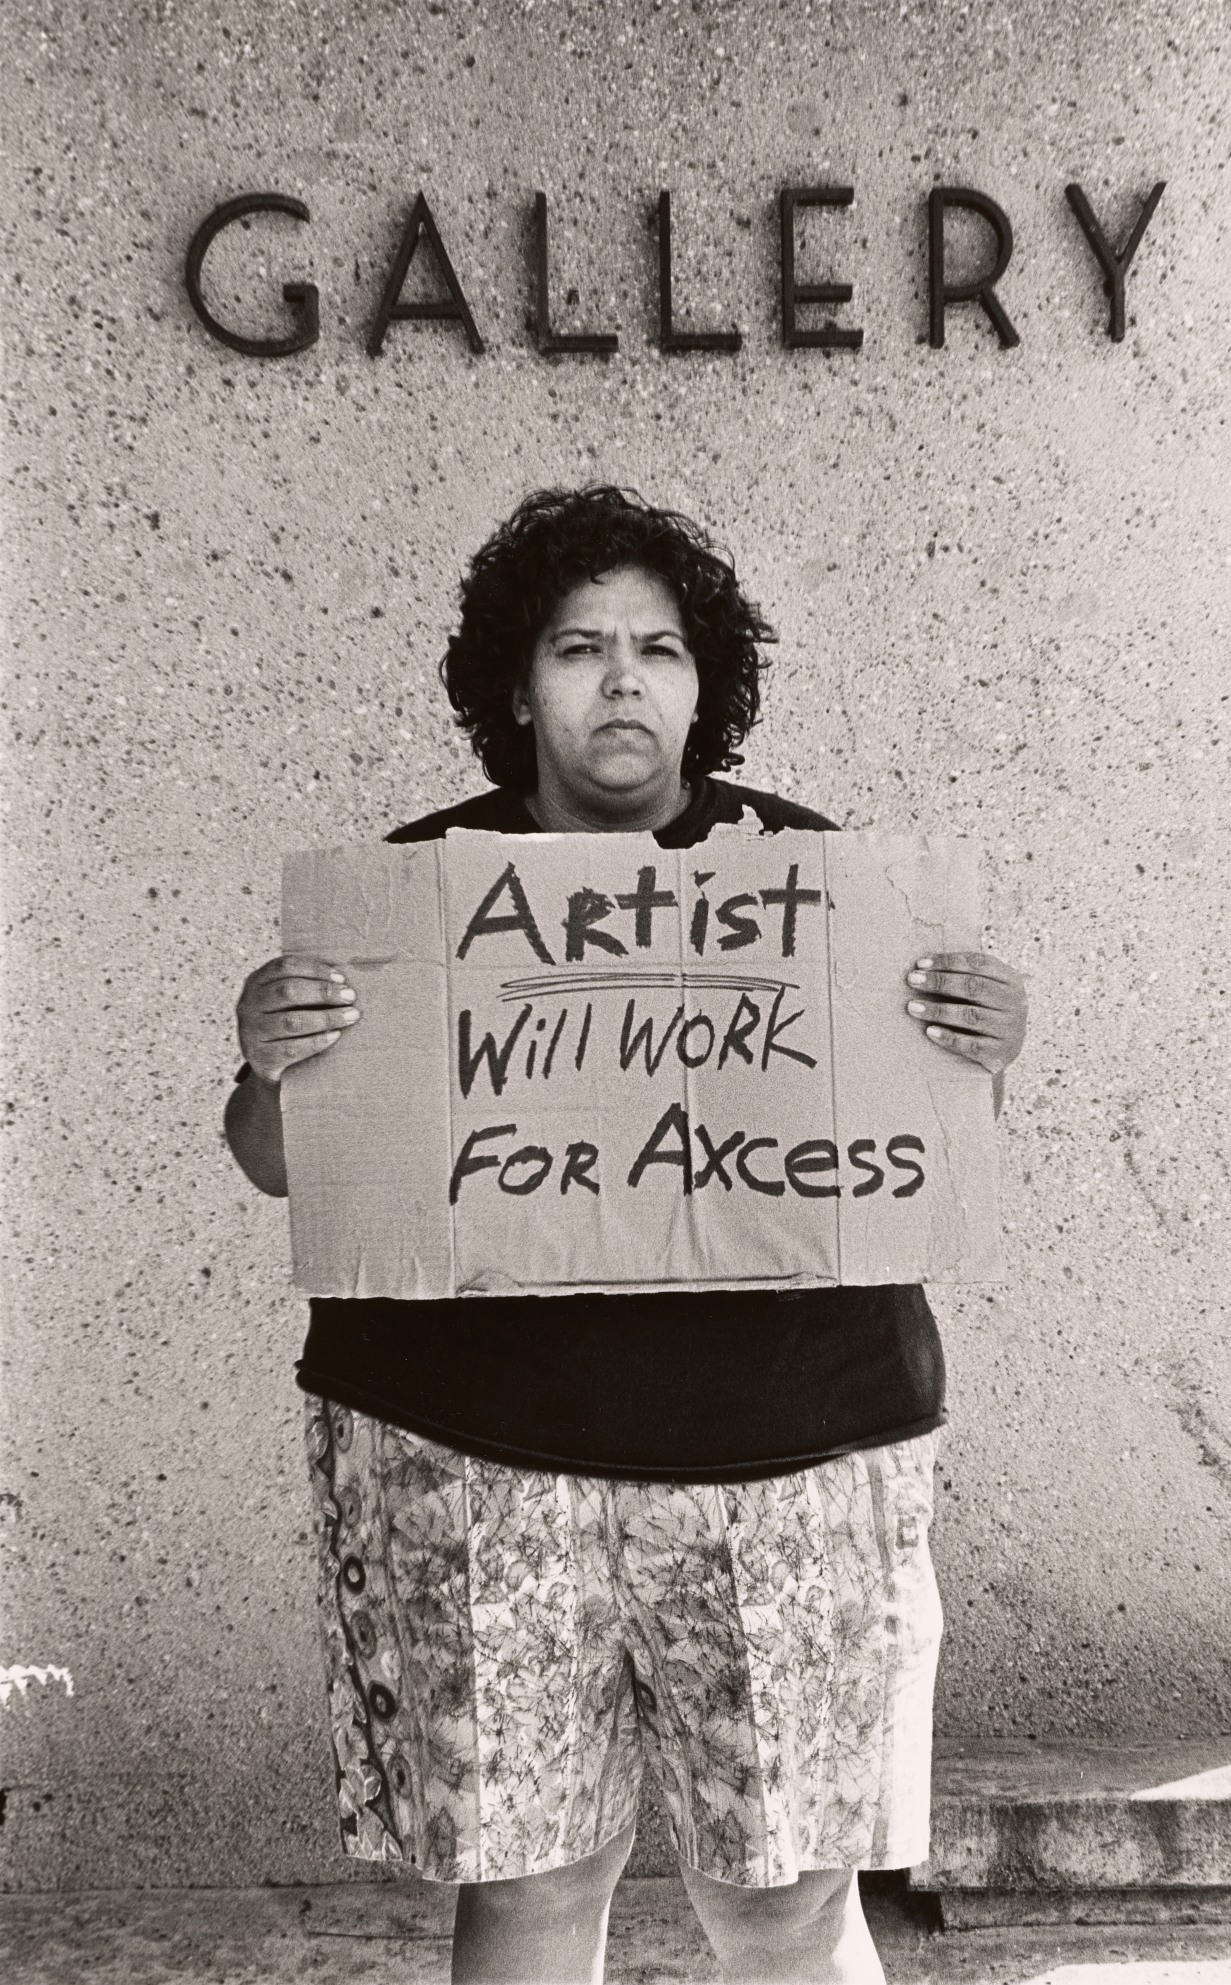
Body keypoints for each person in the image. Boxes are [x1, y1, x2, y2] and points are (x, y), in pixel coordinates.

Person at [226, 486, 1027, 1984]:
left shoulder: (820, 886)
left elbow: (913, 1152)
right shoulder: (413, 899)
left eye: (657, 648)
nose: (621, 680)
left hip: (790, 1464)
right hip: (479, 1472)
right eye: (580, 645)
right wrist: (273, 1057)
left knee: (787, 1900)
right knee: (528, 1891)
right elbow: (282, 1166)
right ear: (516, 685)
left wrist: (983, 1043)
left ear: (702, 681)